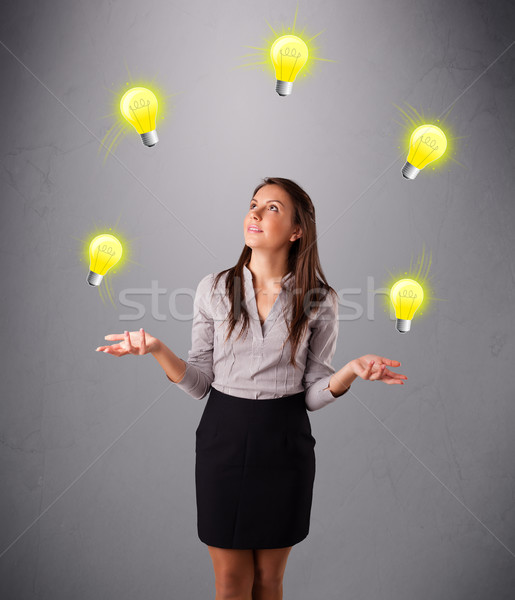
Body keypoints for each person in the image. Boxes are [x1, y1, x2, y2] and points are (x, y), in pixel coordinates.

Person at [96, 177, 407, 600]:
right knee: (230, 582)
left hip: (284, 440)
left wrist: (349, 371)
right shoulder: (213, 288)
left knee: (269, 581)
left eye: (273, 208)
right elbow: (200, 383)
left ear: (298, 231)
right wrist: (156, 349)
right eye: (254, 204)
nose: (255, 214)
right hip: (223, 436)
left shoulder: (320, 299)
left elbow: (313, 395)